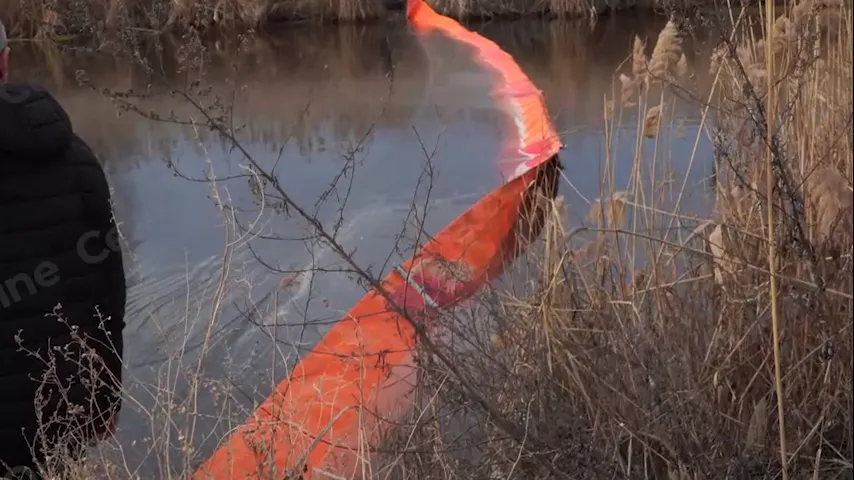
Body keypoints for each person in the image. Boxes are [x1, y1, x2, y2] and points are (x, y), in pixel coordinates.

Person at [0, 20, 126, 478]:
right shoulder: (77, 158)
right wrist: (106, 395)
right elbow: (110, 290)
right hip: (63, 409)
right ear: (6, 61)